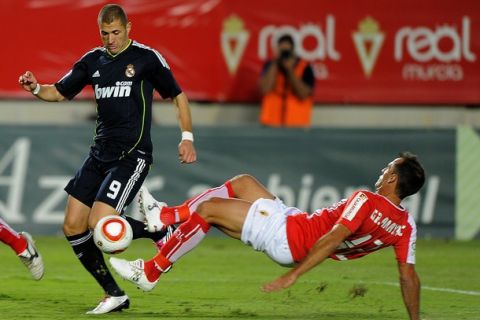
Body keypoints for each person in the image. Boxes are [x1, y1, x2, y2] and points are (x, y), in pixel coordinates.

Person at [18, 4, 196, 314]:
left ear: (130, 28)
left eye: (116, 32)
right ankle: (114, 294)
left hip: (132, 156)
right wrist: (35, 88)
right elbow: (58, 92)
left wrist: (187, 137)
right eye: (105, 33)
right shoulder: (92, 61)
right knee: (73, 225)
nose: (110, 39)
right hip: (99, 154)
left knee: (100, 224)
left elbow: (177, 95)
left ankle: (158, 230)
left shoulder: (146, 58)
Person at [111, 152, 425, 320]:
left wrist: (295, 275)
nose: (382, 170)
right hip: (295, 223)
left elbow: (331, 237)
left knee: (208, 210)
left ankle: (151, 270)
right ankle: (164, 218)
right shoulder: (406, 225)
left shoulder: (366, 200)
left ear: (393, 178)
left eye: (388, 167)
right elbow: (408, 277)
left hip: (290, 237)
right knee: (244, 183)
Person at [258, 34, 315, 127]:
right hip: (271, 125)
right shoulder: (271, 65)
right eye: (282, 51)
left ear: (293, 51)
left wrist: (290, 70)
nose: (284, 54)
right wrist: (275, 63)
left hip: (296, 126)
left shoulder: (305, 67)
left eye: (287, 51)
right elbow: (265, 89)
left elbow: (303, 94)